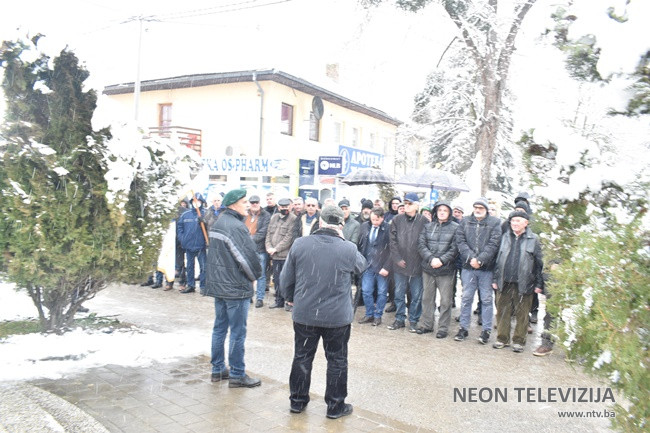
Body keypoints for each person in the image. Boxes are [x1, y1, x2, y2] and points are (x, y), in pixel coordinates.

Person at [280, 205, 367, 418]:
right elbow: (362, 266)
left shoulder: (300, 244)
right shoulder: (348, 248)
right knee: (337, 360)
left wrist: (290, 298)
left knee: (302, 357)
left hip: (305, 313)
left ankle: (297, 402)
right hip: (336, 318)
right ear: (341, 225)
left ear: (320, 222)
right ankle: (335, 407)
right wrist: (343, 242)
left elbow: (286, 277)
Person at [204, 189, 262, 388]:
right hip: (235, 288)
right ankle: (237, 374)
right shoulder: (236, 226)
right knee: (237, 332)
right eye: (244, 202)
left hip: (219, 286)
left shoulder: (219, 222)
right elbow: (247, 258)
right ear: (233, 204)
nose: (248, 205)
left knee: (219, 328)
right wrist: (255, 276)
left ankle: (217, 369)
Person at [492, 211, 544, 353]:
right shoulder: (504, 237)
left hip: (525, 283)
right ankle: (502, 339)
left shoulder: (534, 239)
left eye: (518, 221)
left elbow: (539, 264)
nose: (514, 223)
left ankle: (519, 341)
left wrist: (539, 284)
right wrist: (495, 279)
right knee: (502, 312)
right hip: (504, 282)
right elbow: (497, 260)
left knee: (522, 314)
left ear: (526, 223)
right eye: (513, 221)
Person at [454, 197, 502, 344]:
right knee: (466, 298)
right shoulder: (465, 221)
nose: (478, 210)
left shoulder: (495, 223)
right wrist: (471, 258)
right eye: (476, 207)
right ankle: (463, 328)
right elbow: (460, 241)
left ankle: (486, 330)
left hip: (486, 268)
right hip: (468, 267)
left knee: (486, 299)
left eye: (481, 208)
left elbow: (494, 244)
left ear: (486, 209)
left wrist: (480, 260)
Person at [416, 201, 459, 338]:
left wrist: (441, 260)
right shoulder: (428, 227)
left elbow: (455, 248)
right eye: (440, 210)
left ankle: (443, 328)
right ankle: (426, 325)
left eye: (445, 210)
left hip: (446, 270)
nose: (442, 212)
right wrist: (431, 258)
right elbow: (421, 244)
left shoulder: (456, 228)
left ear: (449, 213)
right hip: (428, 269)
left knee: (446, 301)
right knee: (427, 298)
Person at [388, 192, 427, 332]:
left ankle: (414, 320)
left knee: (416, 295)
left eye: (410, 203)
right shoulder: (397, 219)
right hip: (400, 264)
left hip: (417, 264)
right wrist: (397, 258)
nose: (407, 206)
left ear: (417, 205)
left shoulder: (424, 221)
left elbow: (425, 242)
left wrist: (421, 260)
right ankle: (399, 319)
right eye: (405, 203)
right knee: (399, 294)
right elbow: (392, 241)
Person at [357, 207, 391, 326]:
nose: (374, 222)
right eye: (372, 220)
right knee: (366, 291)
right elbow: (360, 244)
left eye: (377, 220)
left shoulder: (388, 228)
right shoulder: (365, 226)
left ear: (382, 218)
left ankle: (378, 315)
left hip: (382, 267)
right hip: (368, 265)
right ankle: (369, 314)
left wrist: (387, 267)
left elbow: (392, 249)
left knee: (382, 292)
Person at [266, 198, 298, 310]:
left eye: (286, 206)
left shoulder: (293, 219)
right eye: (282, 207)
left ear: (290, 206)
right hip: (274, 256)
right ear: (279, 207)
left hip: (285, 255)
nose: (284, 209)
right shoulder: (274, 217)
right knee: (276, 279)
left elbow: (289, 237)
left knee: (287, 280)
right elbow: (268, 234)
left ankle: (288, 301)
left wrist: (276, 249)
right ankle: (278, 301)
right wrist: (269, 247)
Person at [176, 193, 208, 294]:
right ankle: (191, 285)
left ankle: (203, 286)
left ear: (202, 202)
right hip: (188, 245)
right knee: (190, 267)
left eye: (198, 201)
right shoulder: (186, 214)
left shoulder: (206, 213)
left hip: (201, 246)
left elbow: (211, 227)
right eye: (194, 201)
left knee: (203, 267)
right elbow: (180, 227)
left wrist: (205, 222)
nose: (196, 203)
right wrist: (182, 239)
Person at [244, 195, 271, 308]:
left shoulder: (266, 215)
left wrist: (248, 240)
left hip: (260, 249)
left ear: (260, 203)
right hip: (246, 249)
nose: (254, 204)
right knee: (247, 273)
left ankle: (259, 298)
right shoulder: (244, 214)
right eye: (252, 202)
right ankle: (249, 295)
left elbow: (264, 231)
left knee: (261, 274)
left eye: (256, 202)